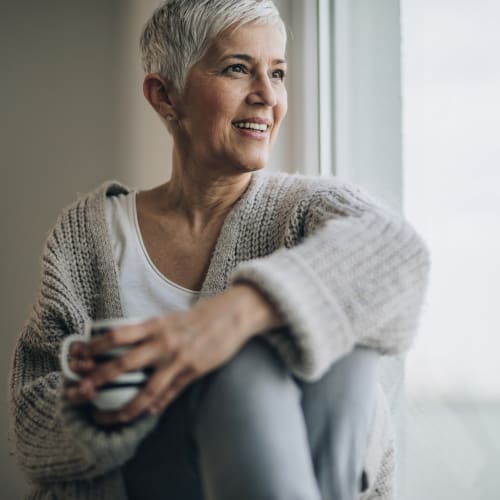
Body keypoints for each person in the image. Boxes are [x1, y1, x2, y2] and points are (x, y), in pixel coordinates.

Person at [9, 1, 430, 499]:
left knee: (339, 337)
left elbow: (398, 251)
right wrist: (141, 392)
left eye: (278, 73)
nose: (267, 96)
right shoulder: (88, 235)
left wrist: (224, 322)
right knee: (247, 366)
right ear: (165, 95)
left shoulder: (308, 209)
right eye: (238, 69)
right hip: (146, 482)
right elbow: (30, 425)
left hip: (311, 477)